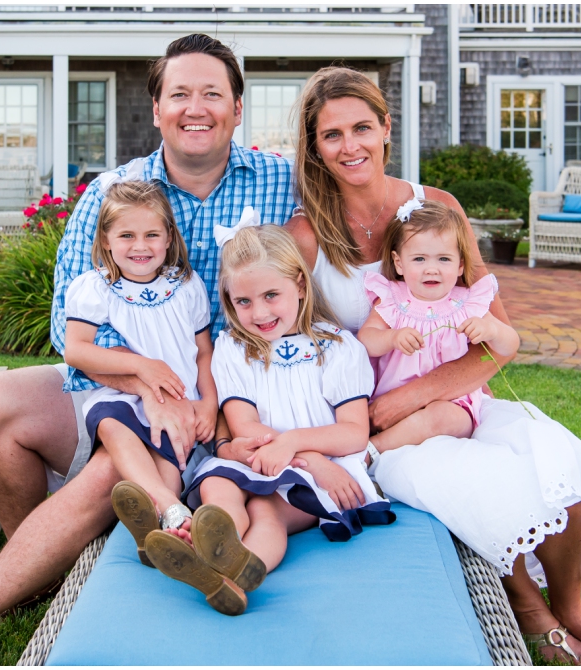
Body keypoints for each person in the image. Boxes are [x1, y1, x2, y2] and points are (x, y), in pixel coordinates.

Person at [0, 34, 294, 665]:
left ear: (238, 108)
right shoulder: (113, 194)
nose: (196, 107)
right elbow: (66, 328)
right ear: (155, 108)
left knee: (114, 465)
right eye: (179, 93)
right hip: (125, 384)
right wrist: (147, 388)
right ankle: (44, 564)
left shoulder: (282, 183)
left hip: (232, 398)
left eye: (213, 93)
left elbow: (366, 197)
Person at [284, 66, 581, 666]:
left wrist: (416, 401)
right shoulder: (306, 236)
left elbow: (493, 337)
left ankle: (574, 609)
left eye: (362, 127)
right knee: (488, 490)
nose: (350, 146)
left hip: (453, 399)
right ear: (315, 147)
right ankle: (532, 611)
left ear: (387, 127)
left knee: (561, 478)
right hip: (373, 420)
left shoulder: (437, 208)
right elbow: (295, 347)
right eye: (332, 135)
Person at [142, 222, 394, 616]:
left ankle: (232, 581)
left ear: (299, 283)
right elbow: (244, 426)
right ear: (228, 298)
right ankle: (207, 543)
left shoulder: (337, 347)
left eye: (271, 295)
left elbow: (353, 432)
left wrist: (299, 451)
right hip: (256, 457)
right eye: (243, 301)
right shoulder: (234, 349)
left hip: (320, 470)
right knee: (218, 485)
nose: (258, 313)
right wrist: (279, 450)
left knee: (266, 511)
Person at [63, 180, 215, 564]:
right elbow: (76, 350)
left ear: (168, 238)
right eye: (127, 235)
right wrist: (141, 366)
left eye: (151, 234)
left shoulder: (186, 285)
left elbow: (202, 352)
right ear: (106, 239)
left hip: (179, 401)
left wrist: (210, 403)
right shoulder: (95, 287)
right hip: (123, 395)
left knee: (171, 459)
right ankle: (171, 508)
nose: (140, 246)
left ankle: (159, 538)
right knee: (113, 425)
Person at [356, 198, 519, 455]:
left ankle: (373, 451)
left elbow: (511, 344)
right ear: (399, 263)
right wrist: (392, 337)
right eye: (419, 259)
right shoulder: (393, 299)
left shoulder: (466, 303)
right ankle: (390, 440)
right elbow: (366, 339)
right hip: (394, 402)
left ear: (460, 265)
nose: (431, 269)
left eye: (444, 259)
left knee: (444, 417)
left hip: (451, 403)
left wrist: (492, 331)